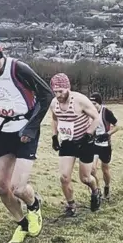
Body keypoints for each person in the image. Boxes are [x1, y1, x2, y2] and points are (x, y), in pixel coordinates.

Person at [0, 34, 53, 243]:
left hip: (25, 130)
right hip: (2, 131)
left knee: (18, 188)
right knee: (1, 187)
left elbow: (46, 95)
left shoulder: (18, 69)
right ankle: (22, 224)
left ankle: (34, 205)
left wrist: (32, 127)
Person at [49, 73, 103, 216]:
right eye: (55, 92)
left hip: (84, 142)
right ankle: (71, 206)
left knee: (85, 178)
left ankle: (95, 191)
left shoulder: (80, 100)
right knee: (64, 177)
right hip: (68, 142)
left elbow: (96, 118)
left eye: (61, 91)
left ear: (68, 88)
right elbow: (54, 119)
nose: (58, 95)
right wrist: (54, 136)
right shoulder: (54, 103)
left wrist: (89, 134)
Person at [88, 93, 119, 201]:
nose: (93, 106)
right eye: (91, 104)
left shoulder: (106, 112)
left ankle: (107, 187)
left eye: (95, 104)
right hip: (94, 144)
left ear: (100, 103)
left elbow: (117, 126)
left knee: (105, 169)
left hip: (105, 145)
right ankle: (97, 191)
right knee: (91, 170)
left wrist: (107, 134)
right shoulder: (88, 112)